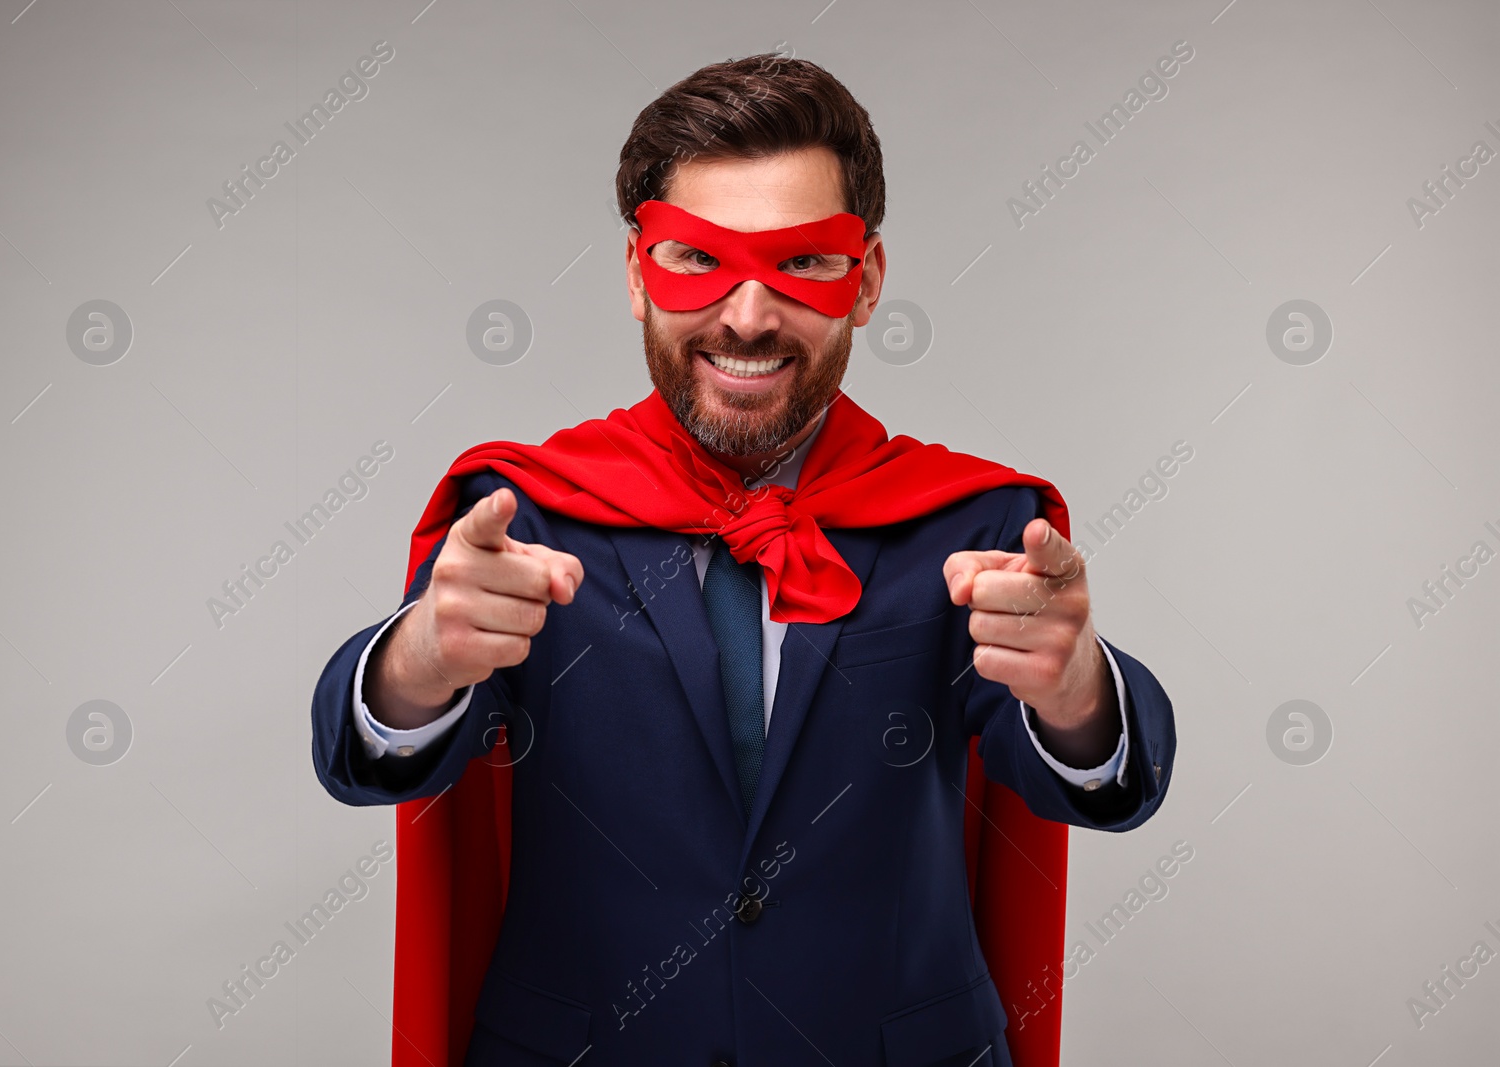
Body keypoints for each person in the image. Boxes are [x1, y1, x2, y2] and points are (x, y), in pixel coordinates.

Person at [312, 52, 1176, 1067]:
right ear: (639, 275)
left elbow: (1100, 780)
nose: (749, 316)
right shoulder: (524, 519)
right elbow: (362, 755)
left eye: (804, 262)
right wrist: (414, 664)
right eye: (698, 260)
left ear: (867, 282)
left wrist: (1078, 694)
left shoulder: (973, 523)